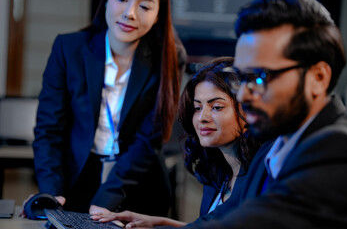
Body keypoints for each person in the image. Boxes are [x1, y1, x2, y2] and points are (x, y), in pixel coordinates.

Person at [165, 0, 347, 229]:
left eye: (259, 77)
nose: (244, 95)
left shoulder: (340, 149)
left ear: (318, 77)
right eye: (243, 80)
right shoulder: (270, 152)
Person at [25, 0, 187, 217]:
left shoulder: (168, 57)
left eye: (145, 6)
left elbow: (149, 138)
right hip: (76, 182)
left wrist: (107, 198)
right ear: (106, 1)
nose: (130, 13)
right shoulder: (68, 49)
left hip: (139, 186)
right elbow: (49, 129)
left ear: (158, 14)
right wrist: (52, 193)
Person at [91, 57, 260, 228]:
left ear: (250, 110)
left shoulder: (259, 174)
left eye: (216, 107)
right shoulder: (219, 172)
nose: (202, 118)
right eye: (197, 108)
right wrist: (158, 223)